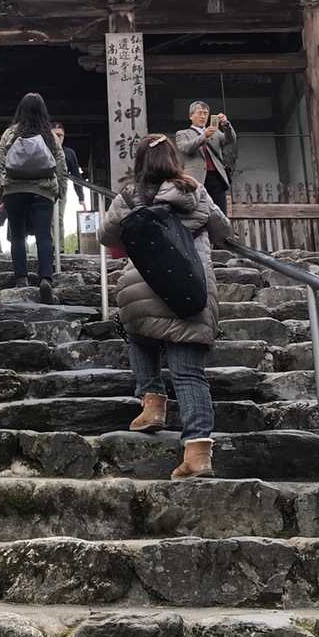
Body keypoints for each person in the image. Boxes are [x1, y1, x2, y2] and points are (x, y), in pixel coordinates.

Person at [98, 133, 231, 474]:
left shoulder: (130, 195)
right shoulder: (195, 190)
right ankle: (197, 454)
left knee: (138, 333)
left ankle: (153, 402)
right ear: (175, 160)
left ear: (140, 162)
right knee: (189, 374)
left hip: (144, 285)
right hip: (191, 287)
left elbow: (106, 235)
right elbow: (223, 229)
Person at [0, 92, 68, 303]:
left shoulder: (10, 134)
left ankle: (21, 278)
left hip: (14, 190)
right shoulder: (49, 135)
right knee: (44, 236)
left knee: (17, 235)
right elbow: (61, 165)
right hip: (43, 191)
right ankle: (46, 278)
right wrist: (59, 190)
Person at [176, 101, 235, 216]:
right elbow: (185, 148)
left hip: (217, 177)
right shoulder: (182, 134)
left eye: (205, 113)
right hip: (196, 179)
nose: (203, 116)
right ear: (191, 116)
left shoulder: (215, 132)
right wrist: (204, 136)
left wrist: (226, 125)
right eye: (199, 113)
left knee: (220, 213)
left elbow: (230, 140)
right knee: (197, 213)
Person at [52, 122, 86, 208]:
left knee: (59, 215)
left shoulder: (69, 153)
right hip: (44, 189)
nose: (57, 138)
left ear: (63, 136)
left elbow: (76, 175)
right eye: (54, 135)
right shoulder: (42, 149)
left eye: (60, 135)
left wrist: (81, 197)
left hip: (61, 190)